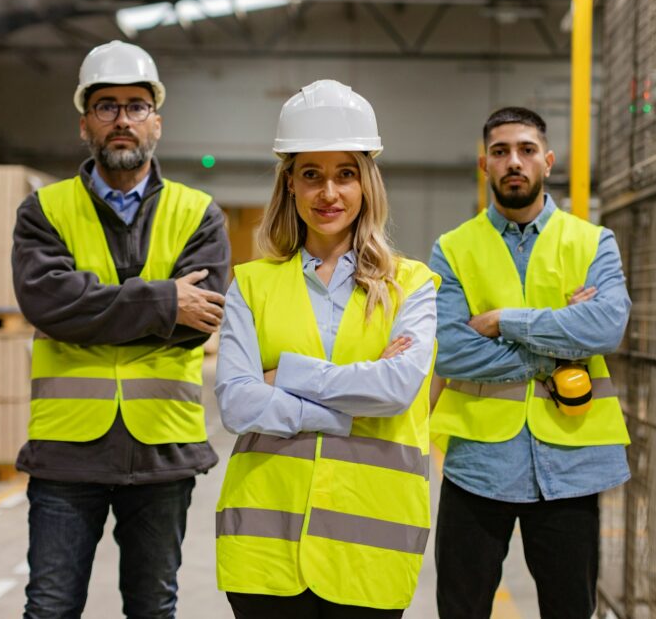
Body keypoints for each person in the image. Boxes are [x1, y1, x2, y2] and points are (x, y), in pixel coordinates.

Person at [11, 40, 230, 619]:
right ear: (85, 120)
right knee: (51, 607)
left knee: (153, 608)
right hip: (67, 454)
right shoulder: (44, 210)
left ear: (156, 121)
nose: (122, 120)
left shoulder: (198, 212)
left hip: (162, 451)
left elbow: (199, 322)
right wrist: (164, 300)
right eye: (107, 106)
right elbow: (50, 305)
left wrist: (96, 310)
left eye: (136, 106)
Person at [214, 79, 439, 618]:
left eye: (345, 174)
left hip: (370, 549)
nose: (329, 193)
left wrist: (285, 373)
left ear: (367, 184)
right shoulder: (251, 285)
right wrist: (348, 409)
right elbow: (237, 403)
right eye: (311, 175)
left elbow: (397, 389)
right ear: (289, 185)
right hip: (265, 546)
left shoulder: (413, 284)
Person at [429, 107, 632, 619]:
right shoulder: (453, 249)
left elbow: (606, 328)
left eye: (524, 150)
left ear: (547, 160)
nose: (513, 161)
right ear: (484, 164)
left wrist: (504, 321)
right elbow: (451, 349)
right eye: (500, 152)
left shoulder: (593, 241)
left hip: (572, 463)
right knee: (460, 609)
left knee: (570, 610)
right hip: (478, 463)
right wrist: (563, 336)